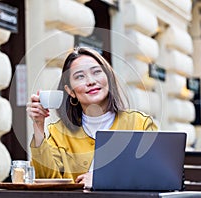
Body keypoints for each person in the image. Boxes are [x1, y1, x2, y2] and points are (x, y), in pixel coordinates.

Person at [26, 47, 157, 186]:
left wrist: (103, 180)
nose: (91, 81)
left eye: (96, 72)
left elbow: (156, 176)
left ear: (108, 77)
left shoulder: (140, 124)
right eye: (80, 76)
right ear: (70, 91)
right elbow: (47, 181)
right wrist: (38, 126)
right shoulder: (58, 133)